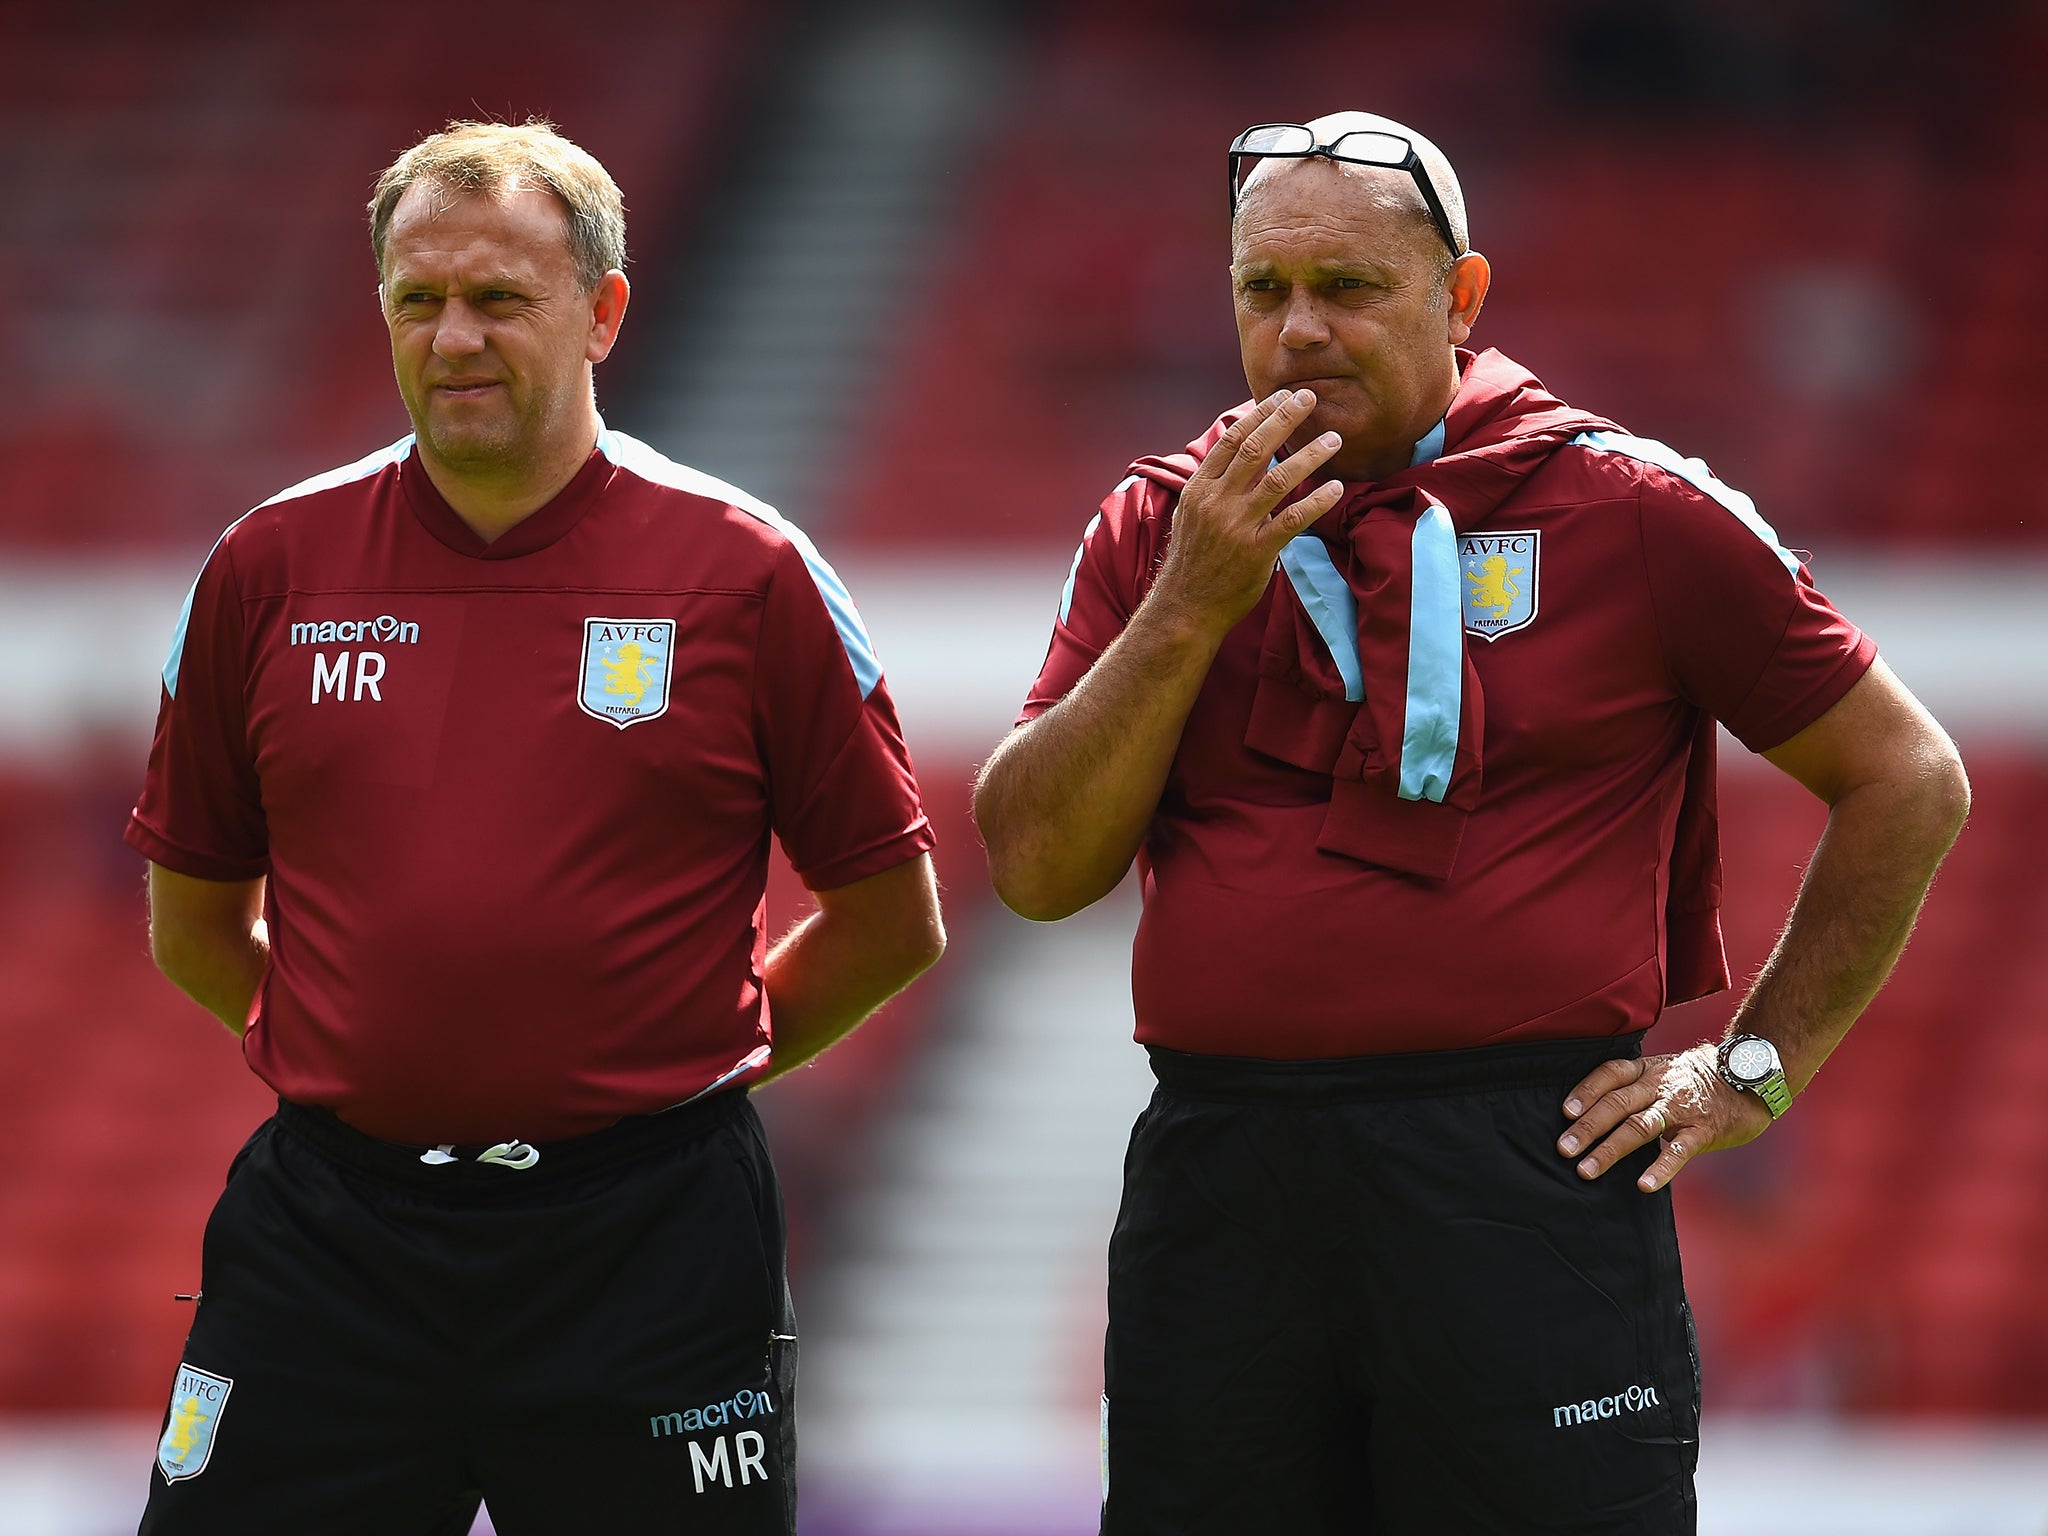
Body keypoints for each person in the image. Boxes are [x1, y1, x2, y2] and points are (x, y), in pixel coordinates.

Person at [972, 110, 1969, 1534]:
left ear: (1460, 299)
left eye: (1350, 288)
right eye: (1266, 292)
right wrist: (1191, 601)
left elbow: (1910, 780)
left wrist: (1749, 1069)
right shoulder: (1162, 526)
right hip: (1227, 1175)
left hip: (1523, 1165)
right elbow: (1038, 868)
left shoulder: (1630, 506)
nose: (1301, 329)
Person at [124, 119, 944, 1535]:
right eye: (417, 300)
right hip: (333, 1240)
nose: (453, 338)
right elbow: (193, 921)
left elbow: (891, 920)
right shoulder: (267, 568)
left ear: (604, 312)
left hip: (652, 1246)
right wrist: (362, 1059)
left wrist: (676, 1075)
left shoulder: (749, 572)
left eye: (499, 299)